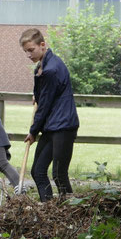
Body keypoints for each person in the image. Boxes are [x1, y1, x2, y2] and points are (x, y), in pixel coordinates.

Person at [19, 28, 79, 201]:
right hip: (52, 125)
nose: (28, 54)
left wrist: (33, 131)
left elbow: (44, 105)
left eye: (31, 50)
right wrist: (38, 93)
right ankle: (49, 209)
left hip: (63, 126)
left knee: (59, 174)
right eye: (25, 51)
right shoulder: (43, 65)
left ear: (42, 45)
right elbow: (45, 95)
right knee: (38, 170)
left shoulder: (51, 69)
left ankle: (69, 211)